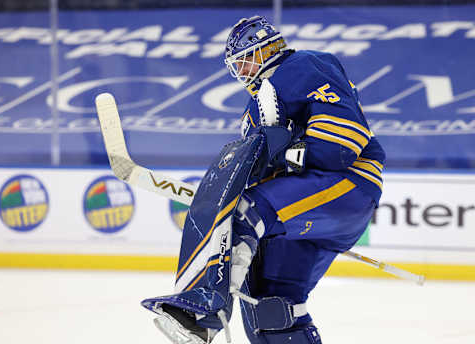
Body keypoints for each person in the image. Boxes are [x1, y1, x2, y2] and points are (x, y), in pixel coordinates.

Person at [142, 15, 385, 344]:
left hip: (345, 186)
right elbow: (267, 169)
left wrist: (286, 152)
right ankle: (215, 312)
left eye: (243, 62)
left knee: (245, 213)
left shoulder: (303, 66)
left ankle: (202, 314)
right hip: (300, 210)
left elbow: (340, 147)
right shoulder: (254, 107)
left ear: (264, 49)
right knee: (270, 307)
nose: (241, 74)